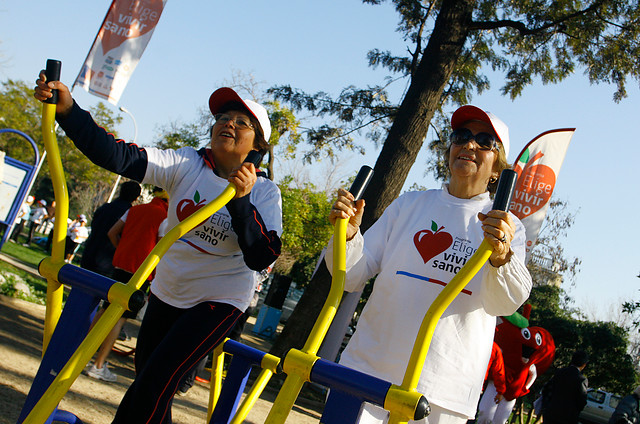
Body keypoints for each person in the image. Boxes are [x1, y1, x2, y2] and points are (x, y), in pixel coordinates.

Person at [35, 74, 282, 423]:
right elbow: (119, 155)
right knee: (151, 386)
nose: (229, 123)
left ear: (256, 145)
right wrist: (69, 112)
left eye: (242, 122)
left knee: (154, 384)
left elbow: (263, 256)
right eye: (224, 118)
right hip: (169, 289)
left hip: (220, 298)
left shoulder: (265, 193)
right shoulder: (187, 164)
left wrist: (241, 205)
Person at [326, 105, 532, 423]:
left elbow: (503, 303)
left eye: (484, 140)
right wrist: (349, 235)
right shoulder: (409, 205)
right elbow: (350, 276)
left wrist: (502, 255)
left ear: (497, 168)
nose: (469, 145)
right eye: (461, 136)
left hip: (441, 393)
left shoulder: (505, 226)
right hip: (367, 374)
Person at [86, 187, 169, 382]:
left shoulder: (134, 210)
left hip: (120, 266)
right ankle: (99, 364)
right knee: (119, 319)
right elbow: (160, 251)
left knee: (104, 310)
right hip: (140, 275)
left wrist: (121, 249)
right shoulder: (165, 218)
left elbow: (112, 233)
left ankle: (82, 354)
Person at [80, 181, 142, 277]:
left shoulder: (105, 208)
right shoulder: (130, 214)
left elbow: (94, 225)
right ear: (136, 198)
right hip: (107, 260)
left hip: (89, 253)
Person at [542, 349, 589, 424]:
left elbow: (547, 389)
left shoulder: (559, 372)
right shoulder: (581, 380)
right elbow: (581, 400)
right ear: (584, 364)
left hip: (551, 412)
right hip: (567, 417)